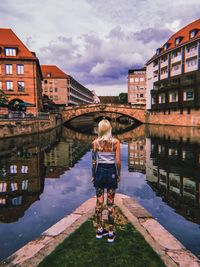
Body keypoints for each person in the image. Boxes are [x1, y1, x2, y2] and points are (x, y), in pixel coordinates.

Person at [92, 119, 121, 242]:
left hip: (99, 171)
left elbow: (94, 162)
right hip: (111, 172)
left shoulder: (95, 143)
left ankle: (99, 230)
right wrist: (118, 174)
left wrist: (93, 175)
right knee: (110, 203)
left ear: (100, 129)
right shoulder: (115, 142)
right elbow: (118, 161)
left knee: (99, 203)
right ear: (109, 129)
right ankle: (110, 232)